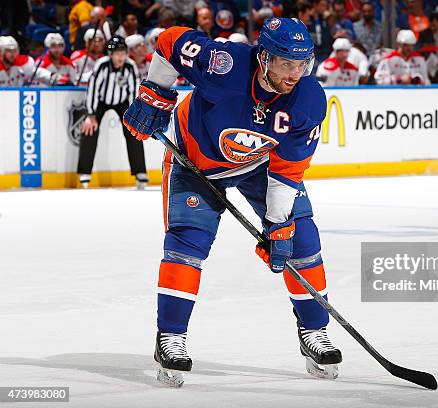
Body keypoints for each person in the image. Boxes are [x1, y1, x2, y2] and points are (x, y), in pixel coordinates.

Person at [121, 17, 342, 386]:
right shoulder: (222, 63)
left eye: (302, 65)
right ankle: (171, 338)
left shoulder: (308, 99)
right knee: (187, 245)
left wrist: (277, 224)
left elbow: (288, 170)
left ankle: (315, 331)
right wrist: (154, 94)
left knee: (302, 240)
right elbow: (170, 41)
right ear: (265, 59)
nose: (294, 74)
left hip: (260, 165)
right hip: (195, 164)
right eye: (287, 64)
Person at [78, 35, 146, 189]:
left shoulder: (130, 66)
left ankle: (140, 172)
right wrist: (90, 115)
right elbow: (93, 90)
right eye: (117, 53)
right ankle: (85, 173)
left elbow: (133, 91)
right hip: (101, 101)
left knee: (133, 131)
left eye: (123, 53)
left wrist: (133, 115)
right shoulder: (102, 65)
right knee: (89, 129)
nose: (121, 57)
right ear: (111, 54)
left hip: (122, 103)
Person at [0, 36, 66, 86]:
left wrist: (51, 76)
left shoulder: (22, 63)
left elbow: (37, 72)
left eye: (14, 51)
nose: (12, 54)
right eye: (8, 51)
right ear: (1, 52)